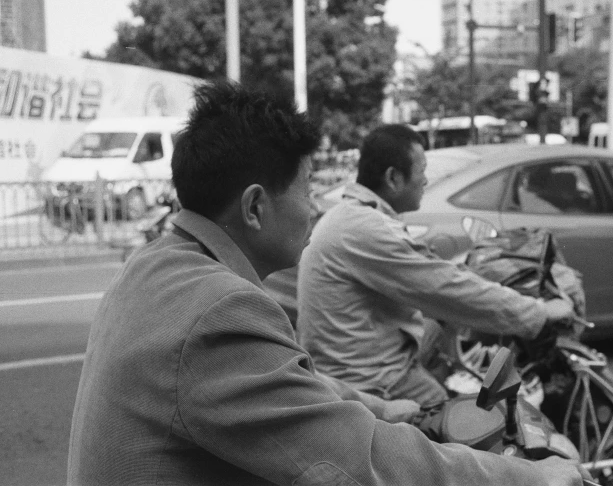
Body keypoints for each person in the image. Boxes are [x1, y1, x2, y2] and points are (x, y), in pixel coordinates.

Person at [67, 82, 585, 486]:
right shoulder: (217, 309)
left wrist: (377, 408)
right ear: (254, 207)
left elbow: (282, 376)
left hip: (372, 396)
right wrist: (528, 477)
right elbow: (362, 464)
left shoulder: (156, 265)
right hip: (375, 396)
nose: (315, 206)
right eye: (307, 188)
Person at [297, 124, 578, 407]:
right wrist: (538, 313)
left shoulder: (349, 217)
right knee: (465, 426)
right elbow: (446, 288)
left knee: (440, 326)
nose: (425, 181)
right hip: (372, 382)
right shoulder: (366, 228)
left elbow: (433, 275)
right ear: (394, 177)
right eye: (422, 171)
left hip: (350, 361)